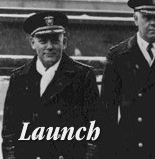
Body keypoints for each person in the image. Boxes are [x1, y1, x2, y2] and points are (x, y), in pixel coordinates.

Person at [1, 12, 102, 159]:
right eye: (42, 40)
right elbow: (9, 133)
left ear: (64, 42)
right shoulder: (19, 78)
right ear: (32, 43)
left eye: (55, 40)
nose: (49, 46)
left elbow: (94, 132)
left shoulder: (83, 76)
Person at [100, 0, 155, 159]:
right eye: (147, 17)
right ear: (135, 19)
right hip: (130, 149)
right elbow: (107, 111)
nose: (154, 23)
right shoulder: (119, 56)